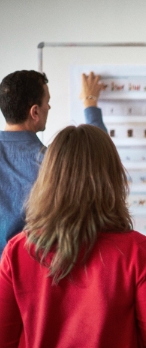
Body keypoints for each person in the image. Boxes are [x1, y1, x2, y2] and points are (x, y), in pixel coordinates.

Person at [0, 124, 146, 348]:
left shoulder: (17, 250)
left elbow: (4, 342)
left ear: (48, 179)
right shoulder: (137, 250)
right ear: (113, 178)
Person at [0, 70, 107, 255]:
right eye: (47, 102)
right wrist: (90, 103)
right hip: (33, 274)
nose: (49, 107)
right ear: (35, 112)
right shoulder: (51, 162)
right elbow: (98, 160)